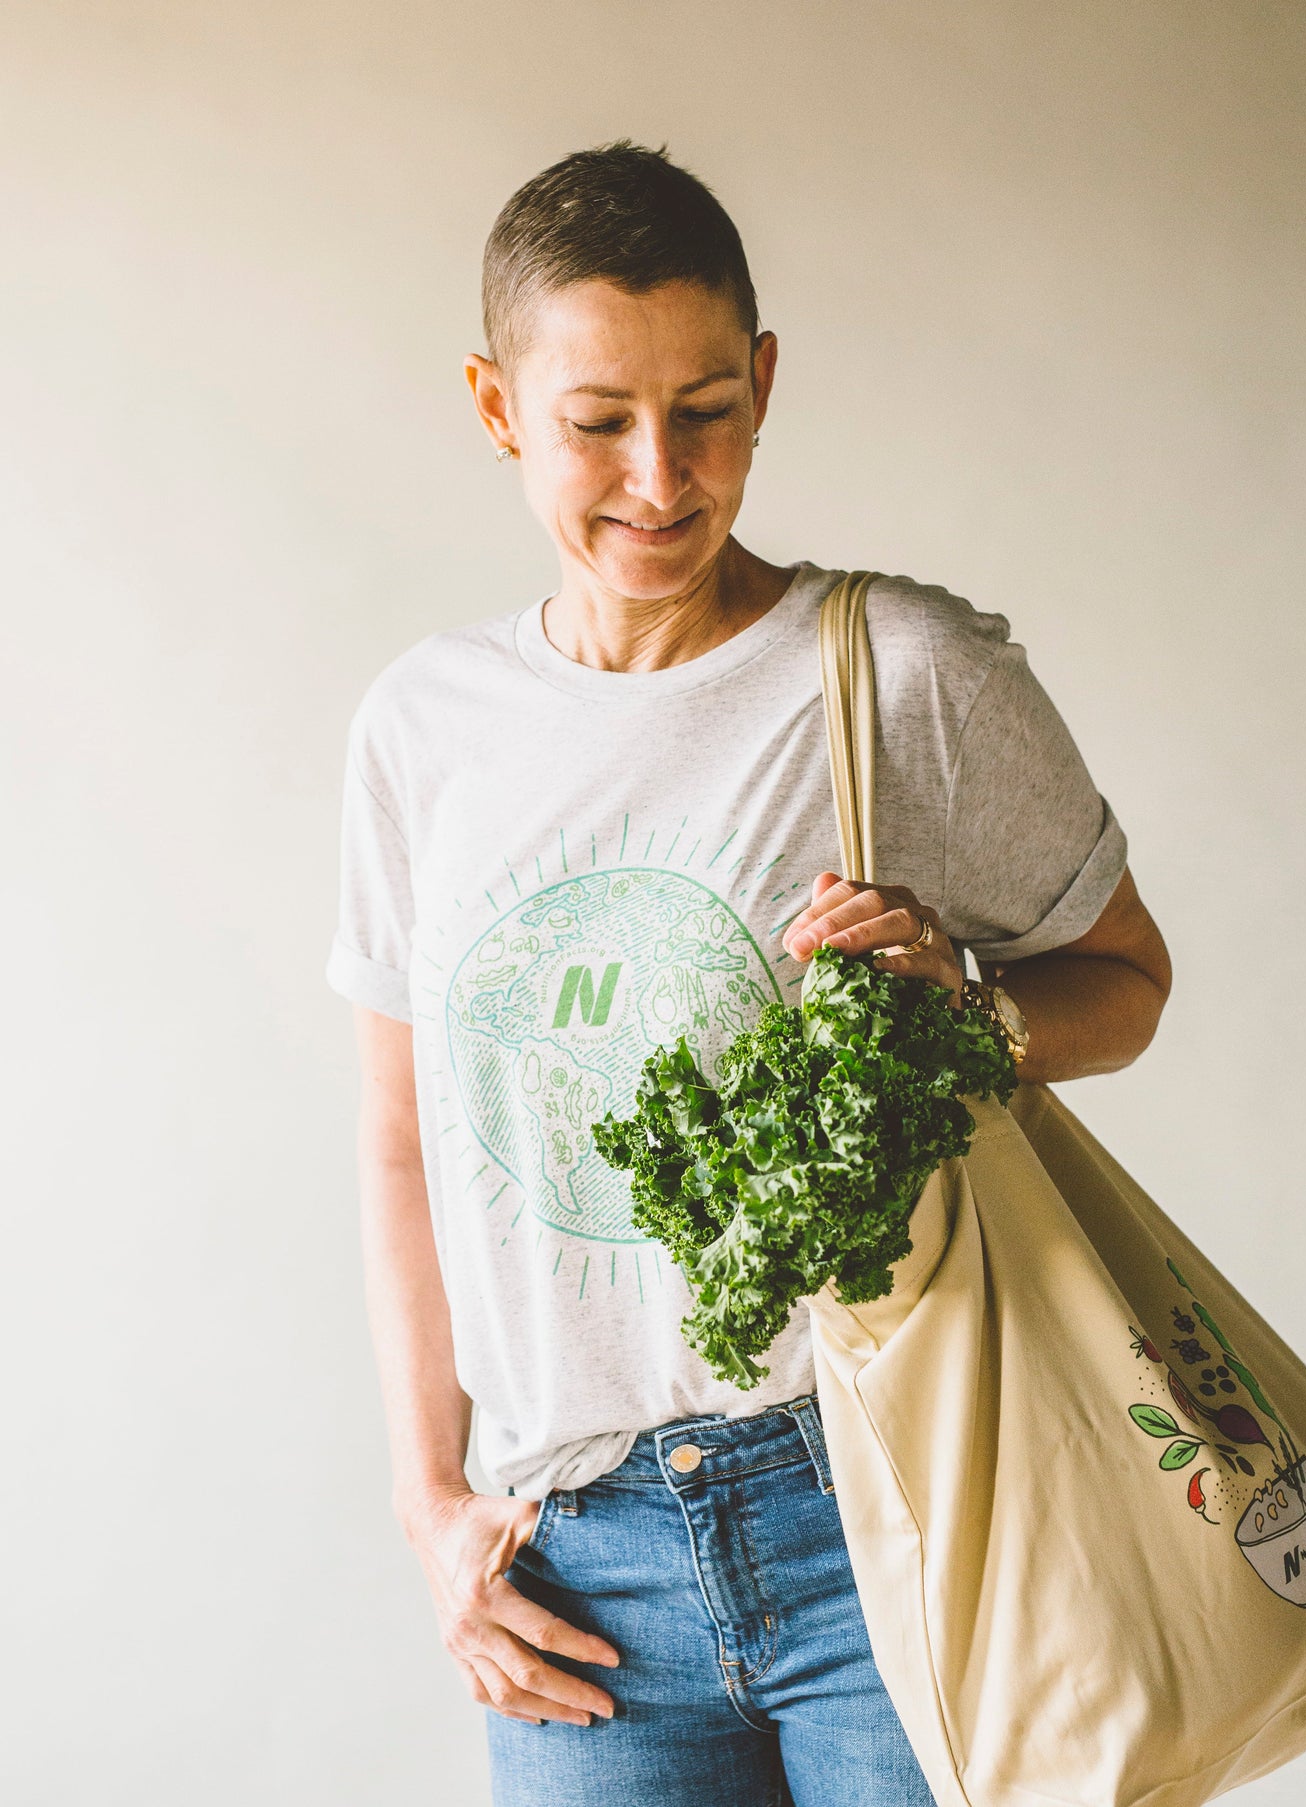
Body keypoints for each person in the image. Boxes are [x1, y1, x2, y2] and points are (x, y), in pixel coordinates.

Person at [326, 139, 1172, 1807]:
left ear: (764, 383)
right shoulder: (423, 732)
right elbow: (401, 1142)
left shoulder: (897, 674)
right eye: (597, 421)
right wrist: (431, 1502)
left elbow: (1126, 982)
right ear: (500, 409)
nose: (660, 473)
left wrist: (969, 1012)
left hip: (880, 1502)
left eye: (705, 407)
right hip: (571, 1560)